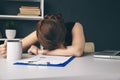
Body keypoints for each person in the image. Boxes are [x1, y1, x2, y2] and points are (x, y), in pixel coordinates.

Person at [0, 13, 85, 58]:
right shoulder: (43, 31)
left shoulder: (75, 27)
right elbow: (19, 45)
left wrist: (40, 52)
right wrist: (6, 49)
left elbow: (77, 51)